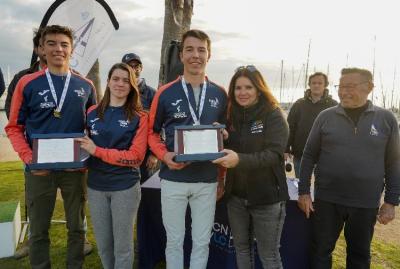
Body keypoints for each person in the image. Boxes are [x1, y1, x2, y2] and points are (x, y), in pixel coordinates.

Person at [5, 25, 96, 269]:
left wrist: (86, 157)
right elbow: (13, 127)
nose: (59, 49)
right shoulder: (27, 83)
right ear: (42, 49)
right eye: (52, 43)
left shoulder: (86, 85)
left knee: (77, 228)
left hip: (74, 172)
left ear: (72, 49)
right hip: (38, 170)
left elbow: (93, 128)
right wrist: (29, 158)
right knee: (38, 230)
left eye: (64, 44)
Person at [298, 67, 400, 268]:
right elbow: (309, 155)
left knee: (359, 256)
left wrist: (391, 201)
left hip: (365, 202)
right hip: (327, 199)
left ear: (369, 87)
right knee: (320, 251)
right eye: (341, 87)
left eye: (350, 86)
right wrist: (303, 192)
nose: (343, 92)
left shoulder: (386, 119)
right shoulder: (325, 117)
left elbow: (394, 162)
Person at [148, 29, 227, 269]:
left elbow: (226, 136)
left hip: (207, 181)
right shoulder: (165, 92)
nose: (196, 55)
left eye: (201, 50)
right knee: (174, 241)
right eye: (190, 49)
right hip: (173, 179)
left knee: (202, 242)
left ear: (209, 55)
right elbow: (151, 133)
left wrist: (224, 136)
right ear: (181, 55)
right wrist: (165, 155)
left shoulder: (220, 93)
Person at [213, 65, 289, 269]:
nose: (243, 92)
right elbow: (232, 151)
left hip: (267, 198)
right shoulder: (231, 116)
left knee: (269, 256)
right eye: (238, 88)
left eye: (248, 87)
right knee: (242, 249)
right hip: (236, 198)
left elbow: (274, 155)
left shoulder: (273, 115)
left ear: (259, 89)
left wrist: (240, 160)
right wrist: (221, 139)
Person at [76, 63, 147, 269]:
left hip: (125, 187)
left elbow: (135, 157)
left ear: (132, 85)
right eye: (116, 79)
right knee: (105, 246)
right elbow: (82, 146)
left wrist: (97, 151)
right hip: (96, 187)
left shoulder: (140, 117)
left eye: (126, 80)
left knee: (122, 248)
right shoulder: (91, 112)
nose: (120, 84)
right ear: (108, 82)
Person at [285, 72, 337, 177]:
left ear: (325, 85)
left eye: (319, 83)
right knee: (301, 187)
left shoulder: (334, 105)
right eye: (313, 83)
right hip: (301, 154)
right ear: (309, 85)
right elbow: (290, 127)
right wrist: (286, 149)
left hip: (325, 156)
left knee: (323, 188)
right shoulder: (299, 104)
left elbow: (339, 131)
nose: (316, 85)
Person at [121, 52, 158, 181]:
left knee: (145, 194)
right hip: (122, 151)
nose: (133, 69)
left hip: (145, 154)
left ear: (141, 68)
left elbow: (159, 124)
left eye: (136, 66)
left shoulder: (152, 94)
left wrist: (154, 153)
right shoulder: (118, 91)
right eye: (129, 66)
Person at [5, 28, 46, 119]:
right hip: (29, 132)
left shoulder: (75, 78)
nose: (48, 49)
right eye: (42, 45)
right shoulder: (21, 77)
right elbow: (11, 109)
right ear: (36, 49)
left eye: (52, 44)